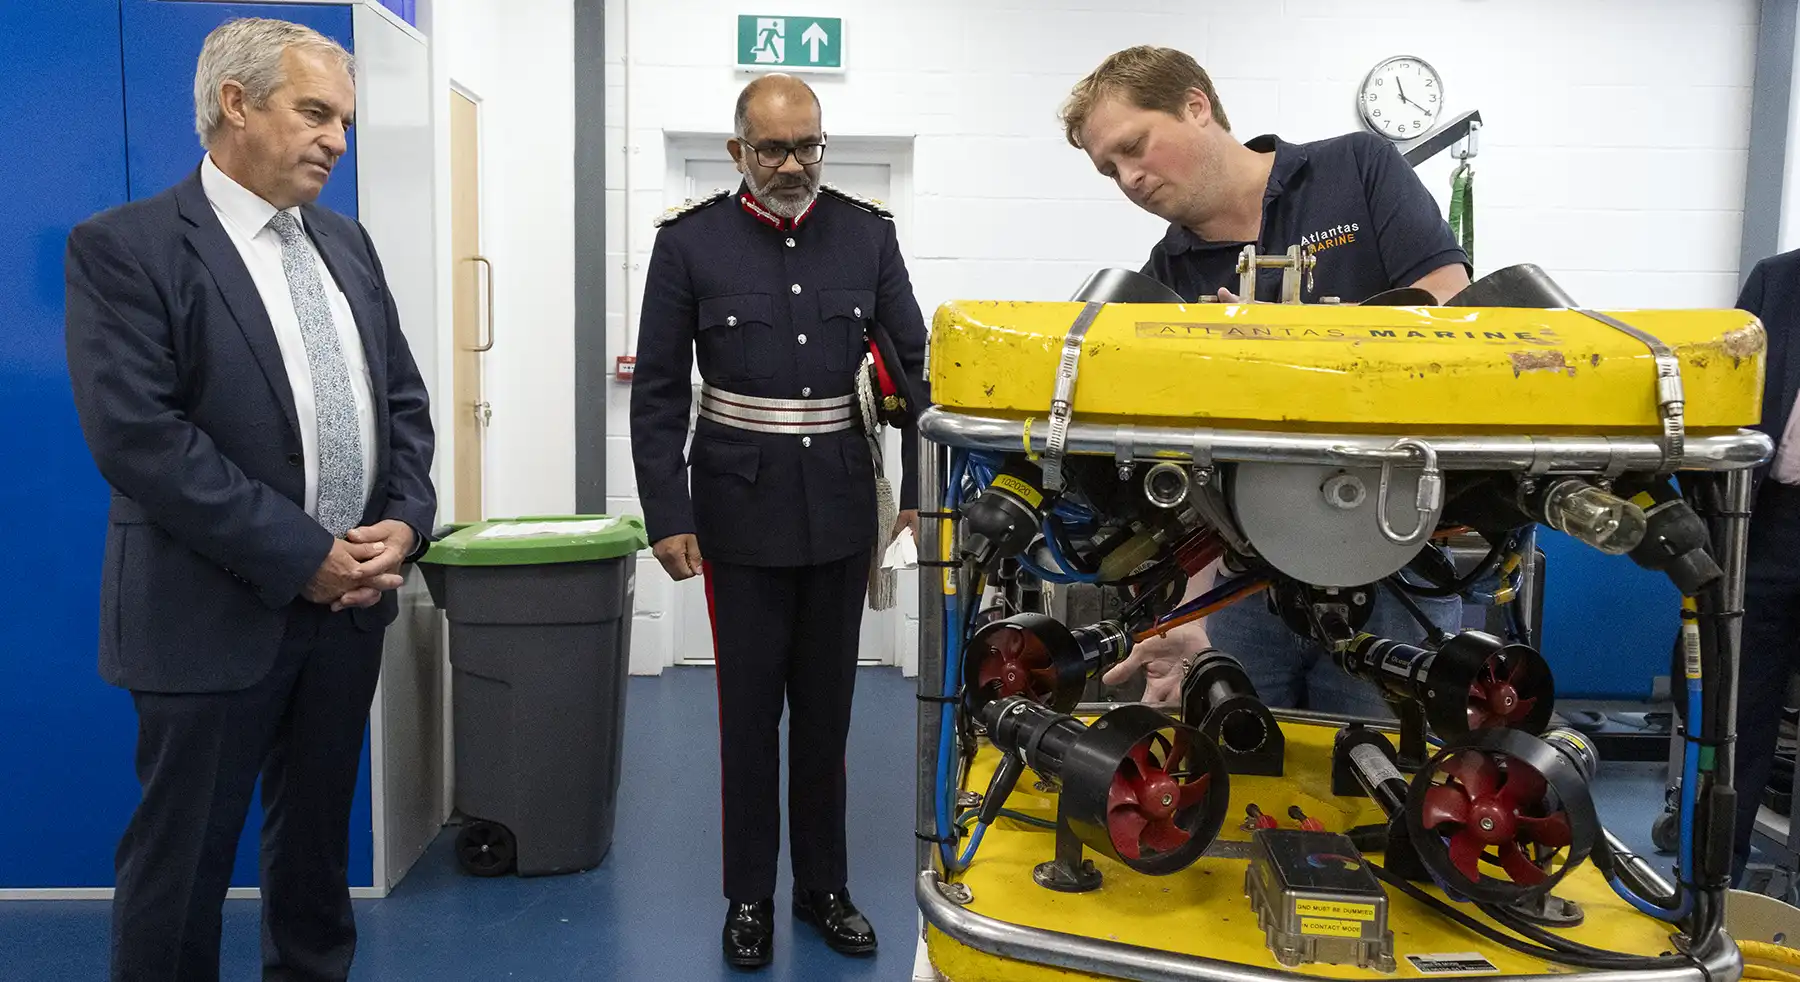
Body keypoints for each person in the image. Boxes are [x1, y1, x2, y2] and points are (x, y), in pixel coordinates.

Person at [63, 18, 435, 982]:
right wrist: (298, 553)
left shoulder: (347, 245)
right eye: (316, 114)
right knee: (179, 872)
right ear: (236, 103)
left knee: (314, 866)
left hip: (348, 612)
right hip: (208, 617)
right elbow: (139, 439)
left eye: (344, 121)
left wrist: (406, 520)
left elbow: (400, 400)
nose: (337, 141)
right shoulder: (127, 249)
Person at [1058, 46, 1470, 713]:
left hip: (1393, 563)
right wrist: (1189, 616)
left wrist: (1284, 341)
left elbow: (1450, 302)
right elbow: (1183, 472)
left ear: (1196, 105)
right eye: (1111, 169)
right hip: (1248, 587)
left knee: (1379, 784)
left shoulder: (1354, 169)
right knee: (1246, 783)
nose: (1130, 178)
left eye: (1135, 147)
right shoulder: (1167, 278)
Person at [629, 73, 926, 969]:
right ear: (737, 152)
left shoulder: (867, 235)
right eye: (773, 149)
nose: (793, 165)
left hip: (840, 510)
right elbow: (654, 393)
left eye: (808, 146)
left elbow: (917, 376)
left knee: (828, 719)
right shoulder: (690, 244)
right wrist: (665, 511)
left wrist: (917, 495)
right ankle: (749, 896)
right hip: (736, 512)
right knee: (748, 719)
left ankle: (824, 889)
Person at [1724, 248, 1800, 879]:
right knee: (1737, 708)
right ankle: (1714, 875)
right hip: (1771, 522)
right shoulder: (1778, 282)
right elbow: (1723, 401)